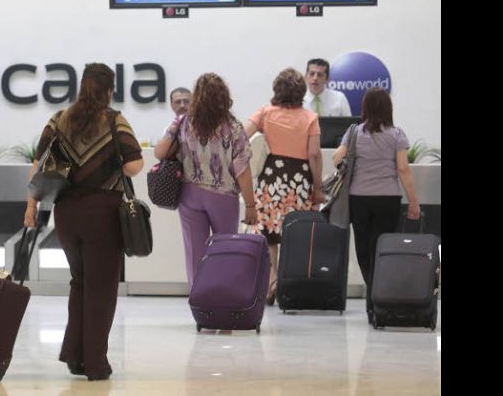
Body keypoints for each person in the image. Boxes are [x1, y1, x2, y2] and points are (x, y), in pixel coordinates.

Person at [23, 63, 143, 381]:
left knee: (80, 283)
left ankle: (74, 356)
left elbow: (37, 166)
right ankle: (96, 363)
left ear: (81, 86)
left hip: (66, 214)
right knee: (101, 288)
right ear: (109, 90)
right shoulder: (114, 120)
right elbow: (134, 165)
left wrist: (30, 207)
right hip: (102, 212)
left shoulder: (59, 119)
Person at [155, 73, 258, 289]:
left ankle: (200, 306)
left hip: (189, 195)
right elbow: (242, 170)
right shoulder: (234, 127)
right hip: (223, 196)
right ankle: (224, 303)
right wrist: (250, 205)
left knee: (195, 253)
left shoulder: (182, 122)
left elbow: (160, 152)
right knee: (225, 250)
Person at [332, 87, 421, 326]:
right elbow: (403, 169)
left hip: (359, 199)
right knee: (381, 250)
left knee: (363, 250)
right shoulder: (397, 135)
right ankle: (378, 301)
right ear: (388, 109)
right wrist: (413, 200)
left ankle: (372, 300)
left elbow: (336, 158)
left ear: (366, 109)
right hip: (388, 200)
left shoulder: (355, 132)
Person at [244, 68, 325, 305]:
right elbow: (314, 155)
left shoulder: (265, 113)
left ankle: (272, 281)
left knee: (269, 232)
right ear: (301, 90)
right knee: (296, 232)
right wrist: (317, 188)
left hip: (272, 177)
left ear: (276, 89)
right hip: (300, 179)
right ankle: (292, 285)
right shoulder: (310, 117)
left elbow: (242, 136)